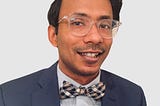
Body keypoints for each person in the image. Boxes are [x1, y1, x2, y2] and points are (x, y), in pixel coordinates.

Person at [0, 0, 147, 106]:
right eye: (78, 23)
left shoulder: (133, 96)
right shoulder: (9, 97)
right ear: (53, 36)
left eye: (104, 25)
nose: (95, 37)